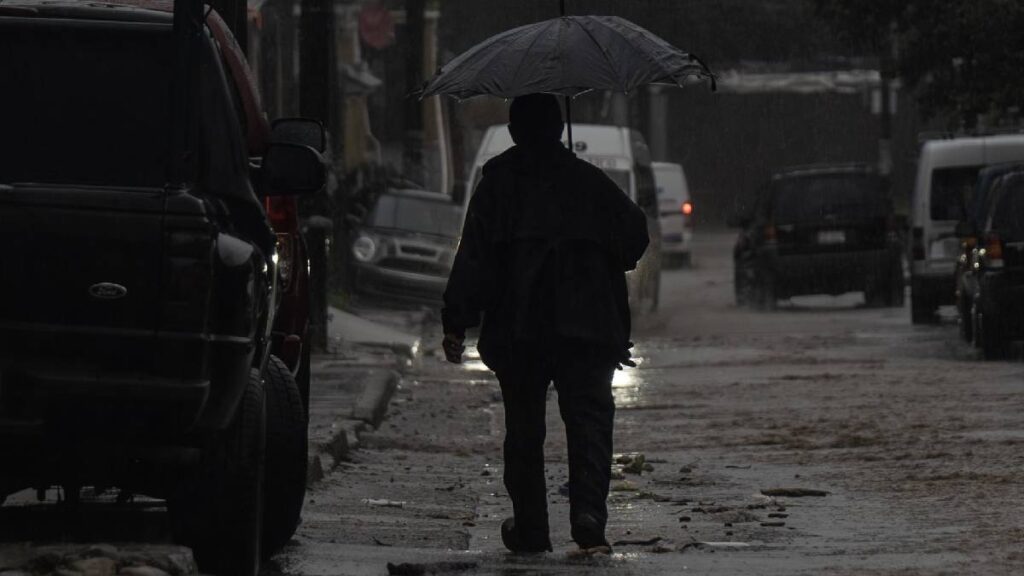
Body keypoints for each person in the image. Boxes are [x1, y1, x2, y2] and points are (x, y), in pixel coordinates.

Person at [441, 93, 649, 554]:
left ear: (514, 132)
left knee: (524, 429)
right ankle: (588, 513)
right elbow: (636, 233)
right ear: (559, 130)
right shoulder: (590, 183)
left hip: (521, 329)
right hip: (586, 328)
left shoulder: (497, 186)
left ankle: (533, 528)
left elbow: (472, 257)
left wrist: (456, 321)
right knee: (589, 421)